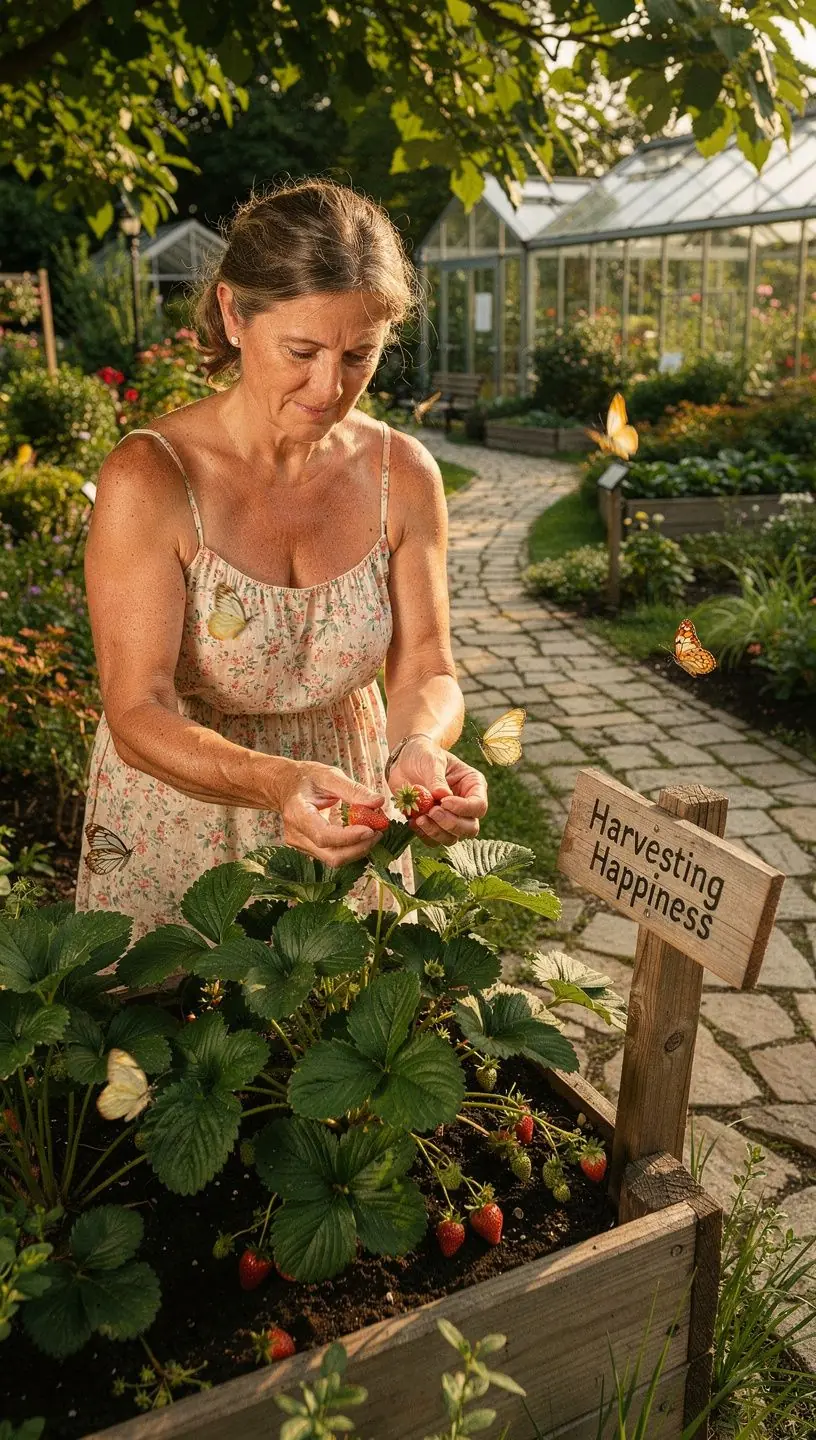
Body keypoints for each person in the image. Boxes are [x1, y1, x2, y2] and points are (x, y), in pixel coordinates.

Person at [76, 179, 488, 938]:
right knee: (186, 1005)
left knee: (338, 1003)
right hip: (187, 813)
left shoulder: (403, 474)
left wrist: (420, 745)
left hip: (345, 807)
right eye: (302, 351)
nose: (330, 387)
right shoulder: (151, 477)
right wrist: (277, 782)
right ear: (234, 314)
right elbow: (136, 710)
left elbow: (428, 669)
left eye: (359, 355)